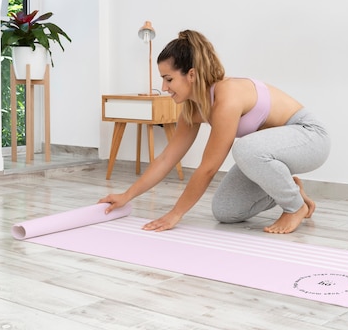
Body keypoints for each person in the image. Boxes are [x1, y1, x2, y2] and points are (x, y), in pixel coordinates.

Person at [99, 30, 330, 234]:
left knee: (245, 148)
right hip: (268, 154)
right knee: (225, 211)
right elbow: (166, 158)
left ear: (191, 74)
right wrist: (126, 196)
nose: (164, 87)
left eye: (169, 79)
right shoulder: (191, 108)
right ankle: (291, 190)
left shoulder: (227, 98)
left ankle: (294, 207)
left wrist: (175, 214)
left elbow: (208, 168)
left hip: (309, 137)